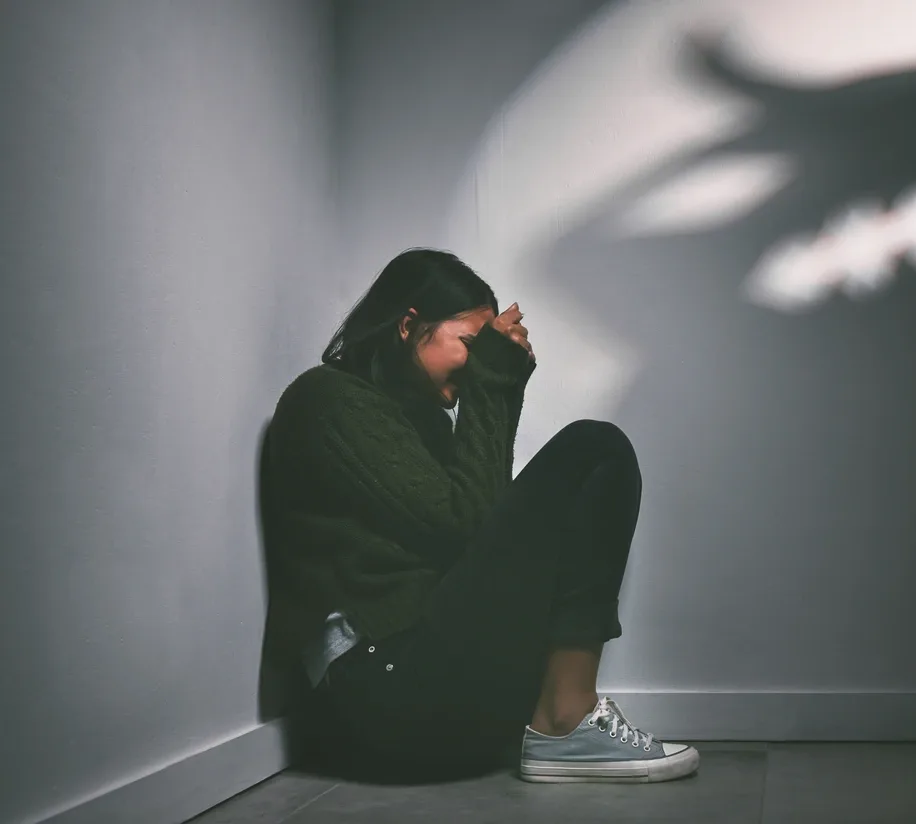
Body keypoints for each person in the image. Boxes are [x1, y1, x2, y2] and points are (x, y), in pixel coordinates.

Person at [260, 248, 700, 783]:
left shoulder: (424, 423)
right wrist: (495, 382)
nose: (477, 365)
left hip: (430, 690)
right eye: (470, 344)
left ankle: (560, 721)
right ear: (408, 326)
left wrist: (499, 386)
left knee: (591, 464)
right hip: (380, 698)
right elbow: (468, 527)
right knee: (594, 448)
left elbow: (483, 535)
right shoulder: (328, 398)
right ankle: (566, 720)